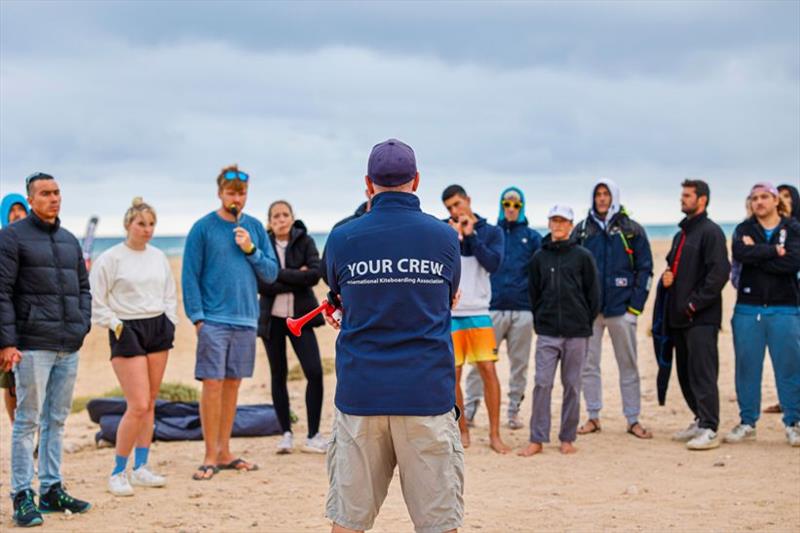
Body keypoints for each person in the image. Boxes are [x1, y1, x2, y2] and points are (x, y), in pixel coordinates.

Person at [324, 139, 464, 533]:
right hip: (425, 393)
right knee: (438, 523)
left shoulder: (342, 238)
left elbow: (338, 294)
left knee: (349, 521)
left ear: (368, 185)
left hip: (361, 393)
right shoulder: (444, 237)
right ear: (416, 180)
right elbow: (447, 297)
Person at [0, 172, 92, 527]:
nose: (53, 198)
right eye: (45, 193)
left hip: (68, 345)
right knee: (27, 421)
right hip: (31, 344)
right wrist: (7, 342)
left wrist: (81, 324)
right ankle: (23, 495)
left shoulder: (69, 241)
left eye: (57, 192)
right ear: (31, 198)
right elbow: (3, 292)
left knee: (57, 419)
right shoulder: (11, 239)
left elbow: (83, 288)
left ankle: (52, 488)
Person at [182, 165, 279, 481]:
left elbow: (271, 273)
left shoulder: (253, 228)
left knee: (233, 384)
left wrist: (250, 249)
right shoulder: (203, 228)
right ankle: (210, 454)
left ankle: (225, 451)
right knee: (211, 384)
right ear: (220, 193)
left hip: (246, 319)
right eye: (231, 192)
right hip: (214, 320)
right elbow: (189, 276)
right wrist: (198, 319)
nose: (237, 198)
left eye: (242, 193)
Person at [90, 197, 178, 495]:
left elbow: (169, 292)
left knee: (151, 402)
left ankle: (141, 467)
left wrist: (170, 321)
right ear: (128, 224)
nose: (147, 229)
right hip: (126, 328)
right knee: (137, 404)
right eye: (141, 224)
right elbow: (95, 299)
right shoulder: (111, 258)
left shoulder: (158, 257)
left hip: (157, 327)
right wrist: (115, 324)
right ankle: (118, 471)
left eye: (152, 224)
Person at [574, 179, 654, 439]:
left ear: (614, 197)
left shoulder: (631, 229)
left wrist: (635, 308)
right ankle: (593, 416)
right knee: (589, 365)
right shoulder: (584, 230)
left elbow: (645, 270)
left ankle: (632, 419)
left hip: (622, 310)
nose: (601, 198)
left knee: (628, 364)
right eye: (597, 194)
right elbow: (572, 268)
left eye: (606, 194)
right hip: (591, 312)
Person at [519, 205, 600, 457]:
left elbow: (594, 295)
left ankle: (567, 437)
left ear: (570, 224)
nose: (558, 225)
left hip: (577, 332)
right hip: (547, 332)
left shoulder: (583, 256)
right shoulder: (539, 258)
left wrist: (583, 321)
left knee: (573, 386)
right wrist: (542, 320)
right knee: (542, 383)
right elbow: (534, 293)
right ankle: (537, 438)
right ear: (549, 223)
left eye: (563, 221)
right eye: (554, 220)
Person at [725, 182, 800, 447]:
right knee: (747, 368)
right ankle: (747, 423)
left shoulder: (792, 228)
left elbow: (793, 261)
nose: (759, 202)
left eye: (764, 197)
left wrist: (757, 256)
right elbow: (739, 252)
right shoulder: (743, 229)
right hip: (748, 308)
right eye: (754, 198)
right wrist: (772, 252)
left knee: (789, 368)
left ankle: (793, 423)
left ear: (776, 200)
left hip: (785, 308)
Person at [463, 187, 541, 430]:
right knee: (480, 362)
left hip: (523, 310)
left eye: (516, 205)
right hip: (492, 308)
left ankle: (513, 410)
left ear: (522, 208)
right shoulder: (492, 233)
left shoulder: (532, 237)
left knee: (520, 365)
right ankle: (470, 409)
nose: (511, 208)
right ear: (501, 205)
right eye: (507, 203)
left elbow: (539, 276)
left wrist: (536, 308)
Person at [442, 184, 510, 453]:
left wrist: (472, 237)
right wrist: (453, 236)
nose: (455, 210)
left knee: (489, 372)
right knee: (453, 375)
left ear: (468, 200)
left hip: (480, 312)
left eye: (458, 204)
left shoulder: (492, 231)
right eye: (449, 208)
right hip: (452, 313)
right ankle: (463, 430)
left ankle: (495, 434)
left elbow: (494, 264)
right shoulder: (445, 231)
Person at [663, 179, 730, 451]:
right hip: (678, 318)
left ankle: (710, 427)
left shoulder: (711, 232)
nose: (683, 199)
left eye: (688, 195)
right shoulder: (682, 234)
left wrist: (693, 304)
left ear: (702, 200)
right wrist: (668, 278)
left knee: (703, 373)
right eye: (682, 194)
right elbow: (672, 266)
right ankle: (700, 419)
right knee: (685, 373)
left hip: (701, 318)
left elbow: (719, 274)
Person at [258, 200, 326, 454]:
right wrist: (297, 275)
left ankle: (313, 435)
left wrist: (279, 274)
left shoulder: (306, 241)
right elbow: (262, 283)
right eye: (275, 216)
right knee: (279, 374)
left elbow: (315, 275)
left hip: (301, 318)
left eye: (285, 214)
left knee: (315, 372)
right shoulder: (263, 244)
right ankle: (285, 433)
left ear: (292, 217)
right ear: (269, 221)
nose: (280, 219)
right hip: (272, 320)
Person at [0, 192, 29, 423]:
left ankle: (37, 435)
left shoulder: (36, 242)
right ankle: (16, 427)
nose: (17, 214)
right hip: (7, 324)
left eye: (21, 209)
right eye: (12, 211)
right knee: (10, 384)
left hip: (33, 322)